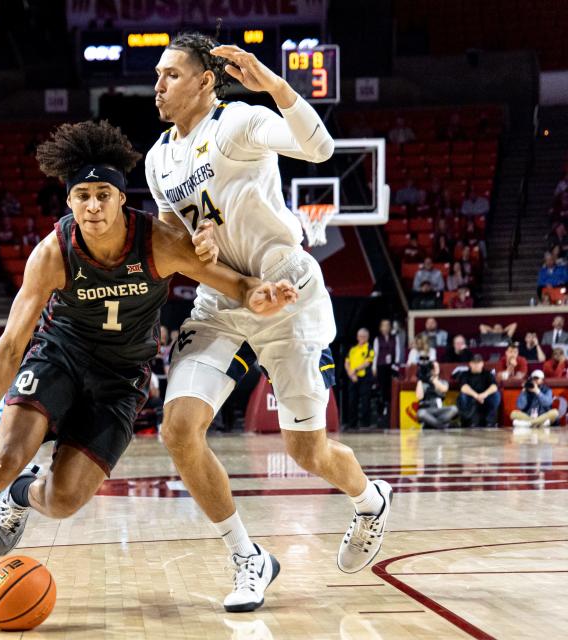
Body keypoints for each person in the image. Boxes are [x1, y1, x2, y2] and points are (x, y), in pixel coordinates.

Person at [0, 119, 297, 623]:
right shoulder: (53, 253)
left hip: (120, 381)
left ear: (122, 199)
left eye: (104, 194)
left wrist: (263, 294)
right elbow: (12, 344)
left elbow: (234, 284)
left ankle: (21, 497)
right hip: (60, 357)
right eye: (83, 195)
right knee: (0, 460)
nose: (94, 206)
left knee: (62, 502)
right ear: (70, 202)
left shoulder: (158, 242)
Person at [140, 34, 392, 609]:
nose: (159, 84)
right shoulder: (157, 159)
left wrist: (275, 85)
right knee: (178, 430)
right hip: (224, 298)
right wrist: (195, 245)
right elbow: (175, 237)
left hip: (286, 291)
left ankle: (370, 499)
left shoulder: (239, 122)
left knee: (307, 451)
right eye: (157, 74)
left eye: (172, 74)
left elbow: (321, 149)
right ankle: (248, 557)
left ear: (206, 80)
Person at [455, 354, 500, 427]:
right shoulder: (465, 374)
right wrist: (476, 396)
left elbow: (494, 386)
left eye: (478, 363)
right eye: (474, 363)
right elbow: (464, 387)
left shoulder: (488, 374)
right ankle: (468, 421)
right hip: (471, 397)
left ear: (482, 363)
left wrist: (484, 395)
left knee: (496, 395)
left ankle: (490, 421)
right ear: (470, 364)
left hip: (485, 397)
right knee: (463, 396)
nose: (476, 365)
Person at [372, 319, 402, 422]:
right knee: (381, 389)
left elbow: (397, 351)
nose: (385, 328)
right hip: (381, 366)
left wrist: (396, 364)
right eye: (383, 326)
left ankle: (391, 411)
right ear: (380, 328)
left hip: (391, 366)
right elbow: (375, 354)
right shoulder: (377, 339)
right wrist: (374, 367)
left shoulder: (395, 338)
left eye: (387, 325)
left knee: (391, 388)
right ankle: (381, 412)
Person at [344, 328, 374, 429]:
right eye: (360, 336)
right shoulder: (353, 349)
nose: (362, 338)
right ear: (357, 337)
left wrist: (355, 370)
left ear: (367, 337)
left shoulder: (369, 348)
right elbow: (347, 362)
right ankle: (352, 424)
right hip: (353, 378)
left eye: (364, 336)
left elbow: (368, 362)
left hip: (364, 378)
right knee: (352, 401)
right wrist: (351, 374)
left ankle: (365, 424)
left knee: (365, 401)